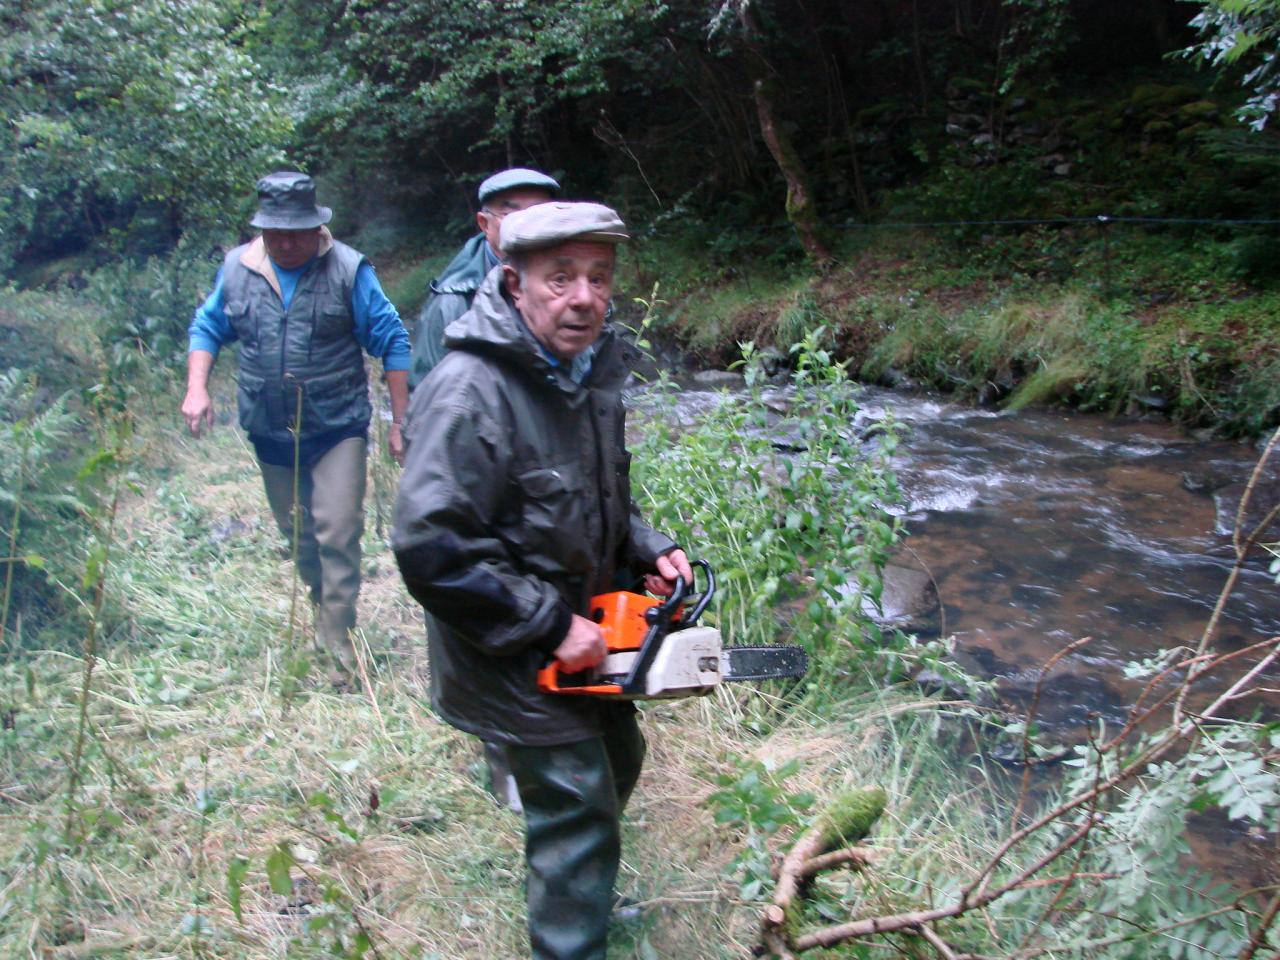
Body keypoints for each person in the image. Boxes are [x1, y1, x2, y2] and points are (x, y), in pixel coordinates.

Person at [392, 202, 693, 959]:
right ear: (512, 282)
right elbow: (431, 546)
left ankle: (576, 886)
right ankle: (569, 937)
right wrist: (551, 626)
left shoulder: (586, 373)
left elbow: (591, 498)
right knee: (577, 800)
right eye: (559, 279)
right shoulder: (469, 393)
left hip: (582, 636)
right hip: (511, 645)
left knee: (620, 761)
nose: (583, 297)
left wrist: (647, 547)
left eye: (597, 277)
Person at [182, 171, 411, 689]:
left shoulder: (349, 270)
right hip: (270, 426)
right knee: (300, 536)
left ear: (317, 227)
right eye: (274, 233)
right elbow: (208, 326)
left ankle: (338, 649)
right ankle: (323, 607)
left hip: (337, 427)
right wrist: (196, 388)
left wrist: (401, 420)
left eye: (295, 232)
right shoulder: (237, 269)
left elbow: (393, 340)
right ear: (261, 229)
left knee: (337, 529)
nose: (285, 243)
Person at [408, 167, 559, 388]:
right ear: (484, 224)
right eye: (511, 215)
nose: (528, 225)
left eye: (539, 214)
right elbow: (427, 394)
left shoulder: (579, 285)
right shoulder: (451, 303)